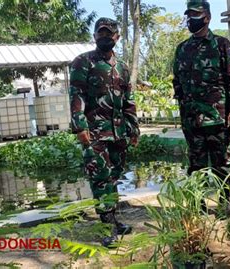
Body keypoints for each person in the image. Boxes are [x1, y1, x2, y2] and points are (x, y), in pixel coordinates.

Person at [69, 17, 139, 247]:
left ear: (117, 37)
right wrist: (79, 126)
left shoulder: (122, 67)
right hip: (94, 132)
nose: (105, 37)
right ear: (94, 36)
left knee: (113, 177)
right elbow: (76, 95)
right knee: (100, 178)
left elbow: (128, 100)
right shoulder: (83, 62)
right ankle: (105, 225)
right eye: (101, 33)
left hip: (118, 133)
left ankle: (112, 217)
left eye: (109, 34)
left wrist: (133, 129)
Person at [173, 0, 230, 218]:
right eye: (189, 15)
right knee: (196, 164)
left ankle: (224, 202)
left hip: (218, 117)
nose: (191, 19)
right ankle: (199, 203)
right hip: (192, 119)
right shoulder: (182, 49)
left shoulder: (221, 45)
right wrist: (184, 109)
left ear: (207, 17)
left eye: (196, 14)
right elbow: (178, 82)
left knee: (222, 162)